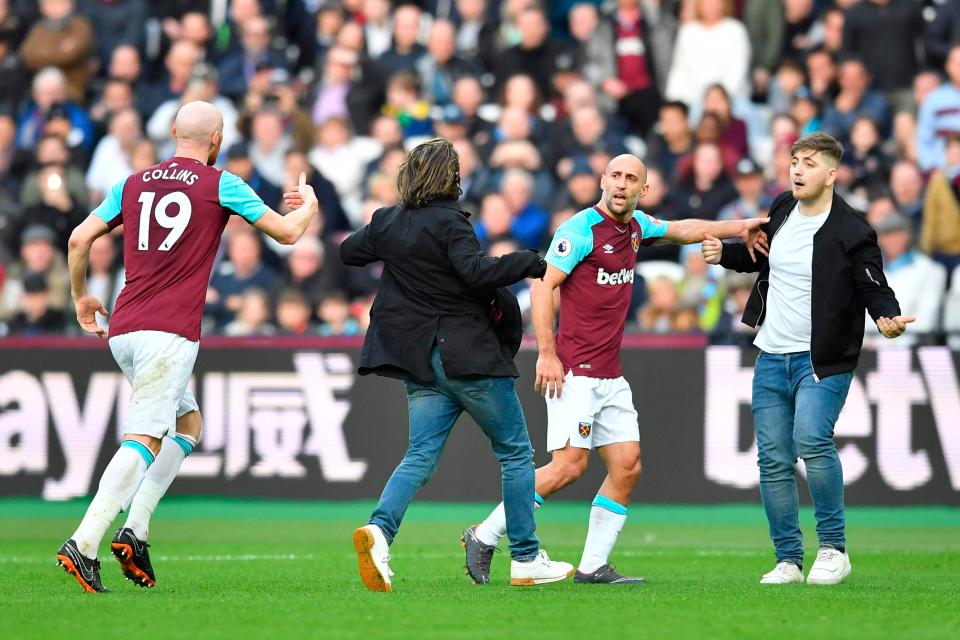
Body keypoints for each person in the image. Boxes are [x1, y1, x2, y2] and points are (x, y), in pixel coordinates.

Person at [464, 154, 768, 585]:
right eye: (616, 176)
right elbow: (543, 285)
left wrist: (739, 227)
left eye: (632, 179)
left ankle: (592, 566)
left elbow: (683, 230)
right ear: (603, 181)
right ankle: (484, 534)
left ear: (643, 189)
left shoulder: (638, 227)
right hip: (574, 371)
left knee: (627, 465)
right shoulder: (579, 230)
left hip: (610, 374)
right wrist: (546, 354)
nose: (622, 184)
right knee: (568, 467)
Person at [56, 101, 319, 593]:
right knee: (147, 437)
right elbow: (286, 234)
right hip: (169, 332)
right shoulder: (221, 182)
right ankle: (84, 541)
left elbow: (77, 239)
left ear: (173, 131)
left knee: (187, 423)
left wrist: (80, 296)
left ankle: (135, 530)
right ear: (217, 139)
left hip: (125, 326)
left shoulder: (131, 183)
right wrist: (308, 207)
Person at [340, 137, 573, 592]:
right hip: (468, 357)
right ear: (451, 178)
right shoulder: (450, 223)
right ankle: (525, 558)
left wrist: (390, 243)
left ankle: (380, 532)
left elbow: (350, 251)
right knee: (515, 455)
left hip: (420, 363)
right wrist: (532, 261)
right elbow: (476, 273)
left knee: (419, 455)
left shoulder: (388, 221)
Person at [701, 132, 914, 586]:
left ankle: (834, 549)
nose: (798, 169)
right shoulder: (781, 209)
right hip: (771, 355)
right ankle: (788, 560)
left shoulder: (852, 230)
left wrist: (887, 316)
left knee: (812, 440)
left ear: (831, 173)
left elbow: (873, 283)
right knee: (773, 460)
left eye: (809, 163)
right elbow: (765, 261)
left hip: (822, 360)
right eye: (795, 160)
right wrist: (726, 255)